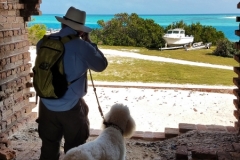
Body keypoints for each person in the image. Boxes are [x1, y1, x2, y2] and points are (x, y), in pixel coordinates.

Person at [35, 6, 108, 160]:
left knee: (48, 146)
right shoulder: (82, 46)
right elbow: (101, 65)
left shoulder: (44, 42)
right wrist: (89, 43)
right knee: (76, 149)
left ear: (63, 24)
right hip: (70, 106)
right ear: (80, 30)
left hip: (45, 103)